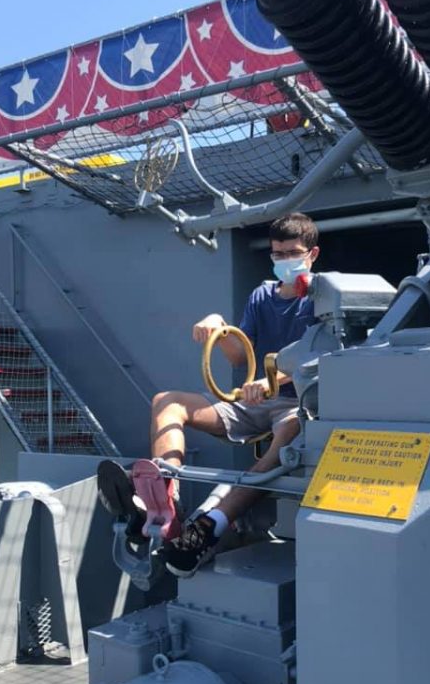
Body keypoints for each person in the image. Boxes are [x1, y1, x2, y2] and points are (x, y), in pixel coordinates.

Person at [98, 212, 319, 578]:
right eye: (278, 254)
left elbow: (316, 357)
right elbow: (238, 354)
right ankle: (164, 498)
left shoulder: (322, 297)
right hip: (250, 401)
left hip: (294, 404)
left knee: (291, 432)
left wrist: (270, 381)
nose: (284, 261)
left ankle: (212, 524)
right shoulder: (262, 295)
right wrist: (219, 324)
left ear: (312, 254)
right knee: (166, 401)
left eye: (292, 253)